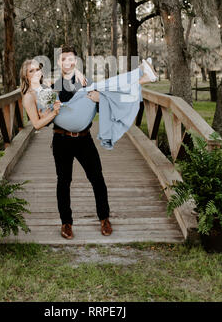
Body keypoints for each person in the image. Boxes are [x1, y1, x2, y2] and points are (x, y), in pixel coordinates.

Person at [20, 46, 158, 240]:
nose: (36, 72)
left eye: (37, 69)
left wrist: (97, 96)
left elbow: (102, 107)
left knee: (97, 178)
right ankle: (66, 223)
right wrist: (53, 111)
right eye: (31, 71)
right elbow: (42, 119)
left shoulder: (55, 85)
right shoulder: (50, 88)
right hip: (61, 140)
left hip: (84, 139)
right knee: (63, 182)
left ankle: (104, 218)